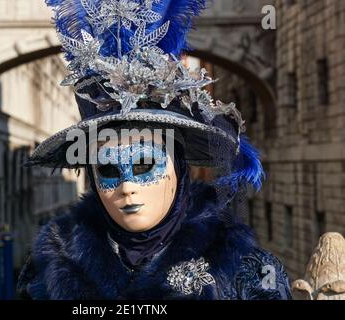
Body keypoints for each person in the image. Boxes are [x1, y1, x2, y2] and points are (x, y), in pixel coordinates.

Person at [17, 0, 292, 300]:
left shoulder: (245, 273)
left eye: (145, 163)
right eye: (108, 170)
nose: (127, 187)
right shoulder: (48, 270)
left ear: (179, 168)